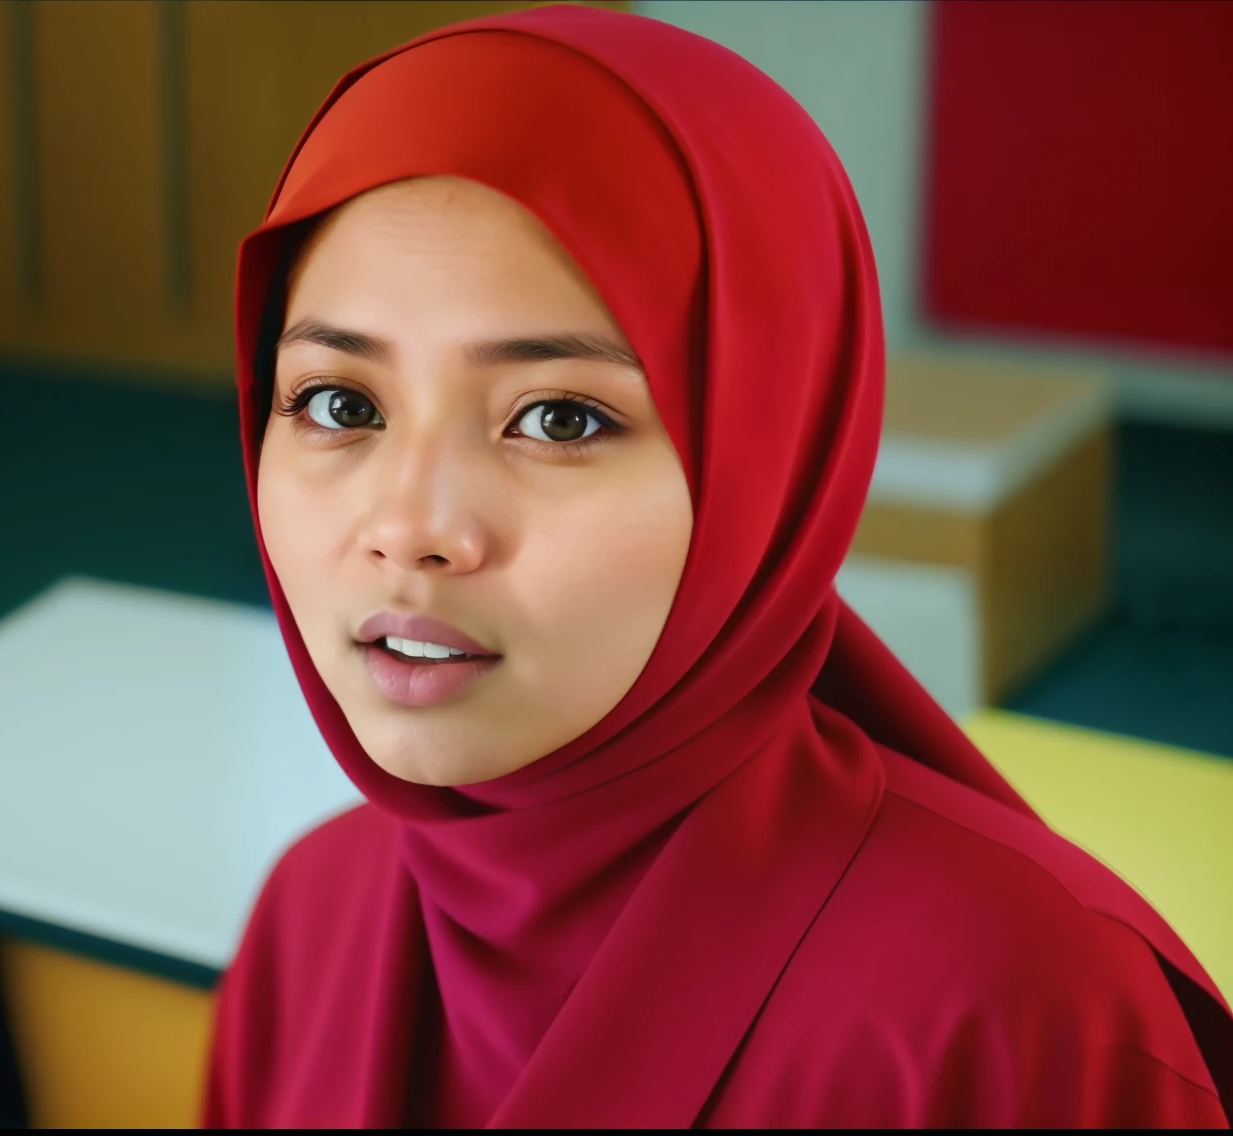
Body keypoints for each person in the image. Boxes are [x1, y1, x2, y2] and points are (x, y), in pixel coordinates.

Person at [202, 6, 1232, 1127]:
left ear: (767, 462)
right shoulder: (307, 914)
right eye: (338, 403)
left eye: (555, 418)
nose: (410, 526)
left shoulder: (1027, 1013)